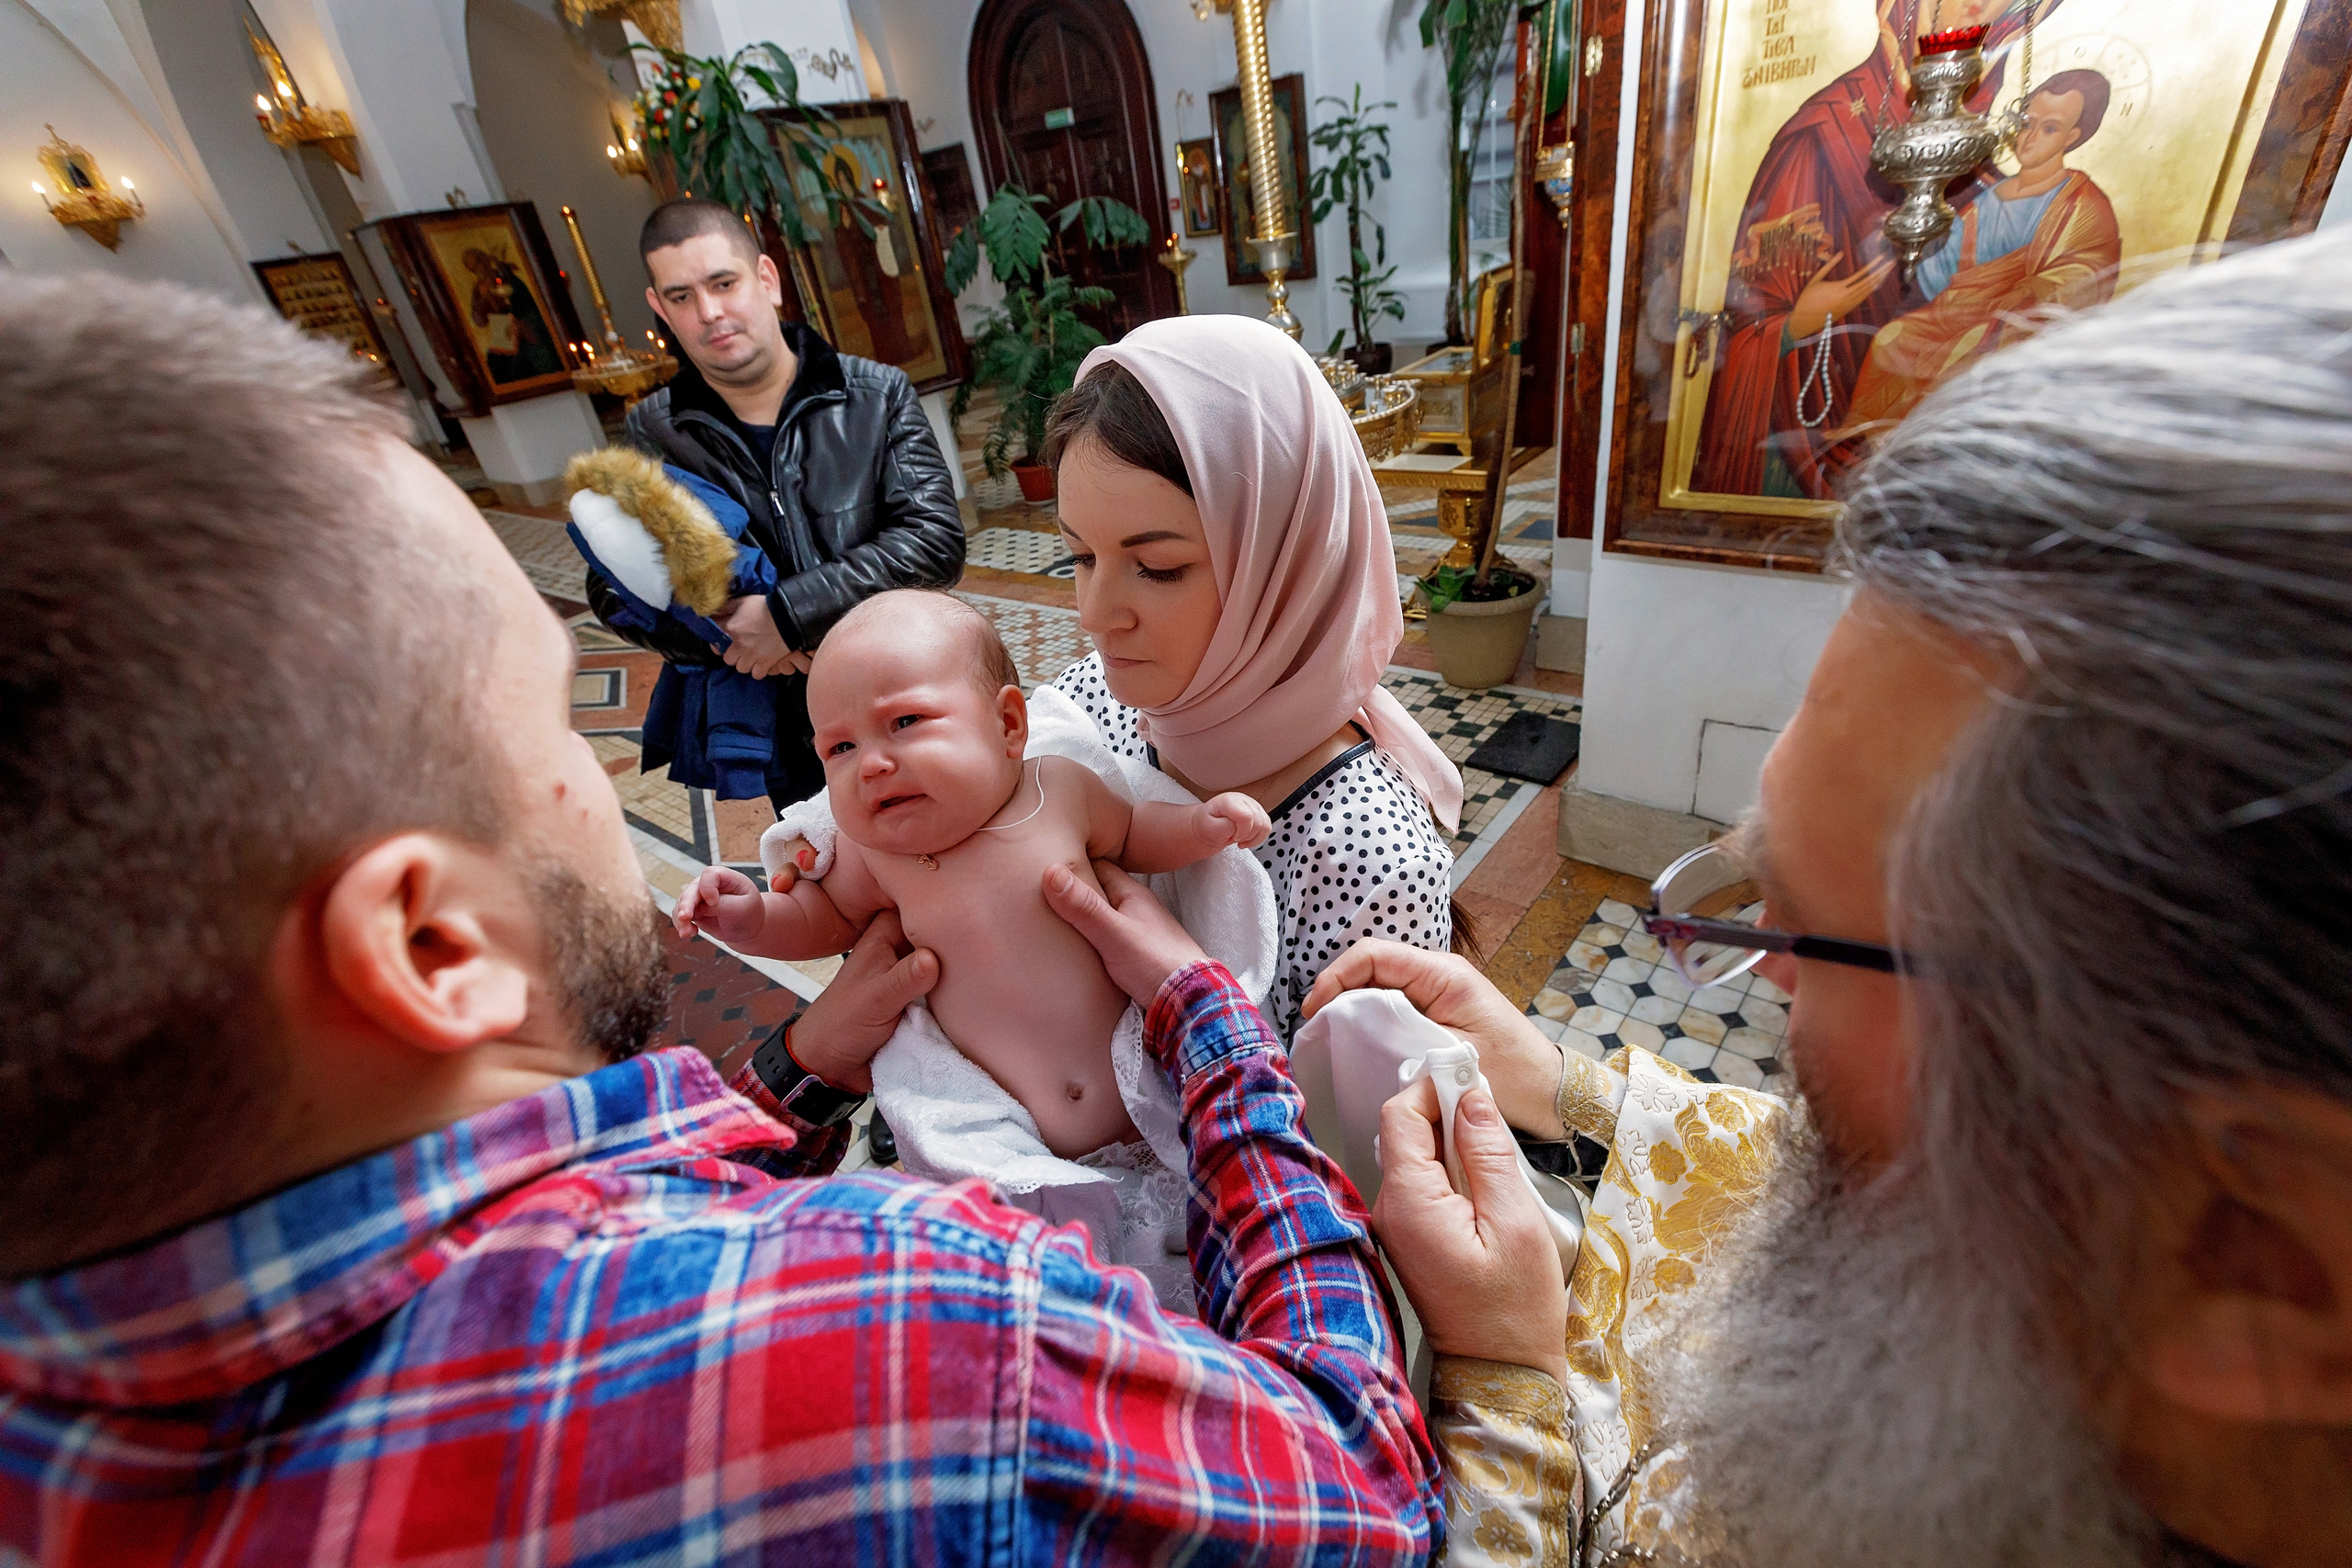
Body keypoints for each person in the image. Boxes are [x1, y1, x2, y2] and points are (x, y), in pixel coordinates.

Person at [0, 276, 1441, 1562]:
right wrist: (1200, 1011)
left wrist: (809, 1060)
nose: (606, 774)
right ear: (431, 948)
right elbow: (1360, 1491)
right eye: (551, 734)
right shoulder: (910, 1329)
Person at [1325, 229, 2352, 1564]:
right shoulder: (2102, 1270)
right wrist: (1574, 1087)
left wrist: (1507, 1378)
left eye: (1813, 935)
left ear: (2255, 1260)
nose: (1774, 993)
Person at [1044, 314, 1467, 1040]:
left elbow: (1359, 1141)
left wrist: (1187, 1002)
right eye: (1080, 557)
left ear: (1281, 564)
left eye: (1158, 567)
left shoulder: (1364, 855)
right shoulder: (1096, 702)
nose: (1094, 614)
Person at [593, 197, 964, 811]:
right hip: (789, 727)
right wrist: (740, 634)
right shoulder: (654, 433)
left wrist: (788, 615)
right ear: (659, 308)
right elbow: (612, 588)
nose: (709, 312)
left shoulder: (873, 394)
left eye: (723, 283)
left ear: (766, 278)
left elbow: (933, 539)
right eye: (681, 297)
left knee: (954, 849)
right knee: (834, 881)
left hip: (905, 692)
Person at [1689, 0, 2064, 500]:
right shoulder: (1819, 136)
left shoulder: (2002, 181)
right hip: (1803, 427)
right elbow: (1746, 315)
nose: (1978, 2)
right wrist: (1798, 321)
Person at [1839, 68, 2121, 436]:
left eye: (2049, 128)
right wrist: (1906, 243)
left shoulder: (2081, 203)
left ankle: (1929, 445)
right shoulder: (1988, 199)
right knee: (1891, 338)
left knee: (1969, 352)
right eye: (2026, 121)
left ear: (2073, 137)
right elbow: (1945, 270)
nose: (2030, 137)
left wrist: (2022, 295)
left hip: (2014, 324)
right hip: (1956, 313)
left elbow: (2087, 272)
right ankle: (1873, 440)